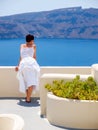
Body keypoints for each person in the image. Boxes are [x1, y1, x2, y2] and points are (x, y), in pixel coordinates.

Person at [15, 34, 40, 103]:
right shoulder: (34, 46)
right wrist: (36, 65)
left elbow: (21, 57)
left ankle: (27, 97)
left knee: (25, 82)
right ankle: (28, 98)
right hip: (31, 65)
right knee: (31, 82)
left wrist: (18, 66)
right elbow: (34, 57)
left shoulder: (22, 46)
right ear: (31, 40)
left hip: (23, 65)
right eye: (33, 40)